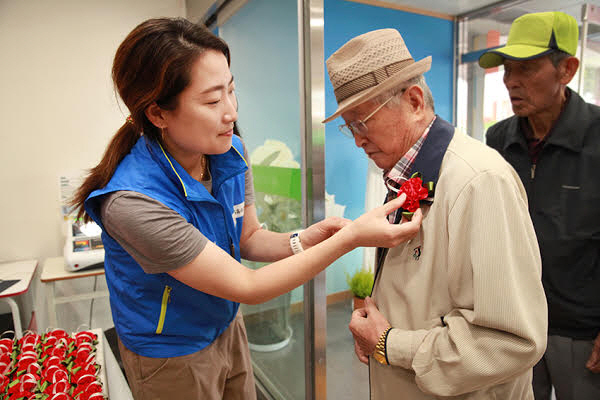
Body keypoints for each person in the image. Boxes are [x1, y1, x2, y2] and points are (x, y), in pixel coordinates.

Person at [70, 18, 423, 400]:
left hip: (225, 324)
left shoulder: (228, 151)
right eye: (211, 100)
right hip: (171, 352)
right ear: (158, 114)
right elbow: (248, 286)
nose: (231, 112)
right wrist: (352, 239)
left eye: (231, 90)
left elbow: (248, 238)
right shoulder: (134, 203)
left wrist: (301, 239)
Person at [322, 28, 548, 399]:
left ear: (413, 101)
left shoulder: (481, 182)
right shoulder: (407, 173)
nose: (358, 139)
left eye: (362, 122)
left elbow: (511, 342)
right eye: (350, 127)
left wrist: (388, 343)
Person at [479, 11, 600, 400]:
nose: (511, 81)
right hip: (512, 322)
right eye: (507, 69)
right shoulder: (498, 139)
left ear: (567, 69)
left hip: (579, 331)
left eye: (527, 68)